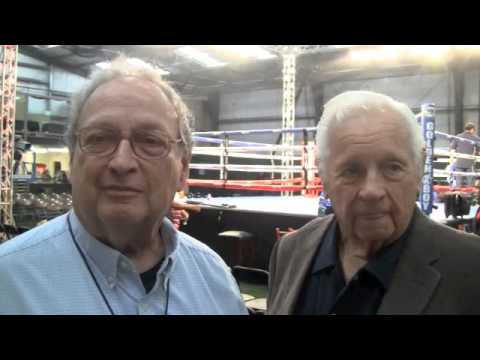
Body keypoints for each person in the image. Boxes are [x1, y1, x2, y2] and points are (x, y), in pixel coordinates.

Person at [0, 56, 248, 315]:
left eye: (150, 141)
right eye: (99, 138)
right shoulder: (8, 281)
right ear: (73, 159)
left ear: (182, 168)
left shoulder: (214, 280)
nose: (122, 162)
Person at [267, 90, 480, 314]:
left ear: (419, 170)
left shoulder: (471, 265)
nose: (372, 191)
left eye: (392, 167)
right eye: (351, 170)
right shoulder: (289, 251)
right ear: (325, 176)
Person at [450, 122, 480, 187]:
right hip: (470, 163)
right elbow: (479, 150)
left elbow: (452, 149)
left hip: (459, 162)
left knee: (458, 182)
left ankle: (458, 195)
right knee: (470, 183)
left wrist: (451, 160)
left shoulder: (458, 136)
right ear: (472, 129)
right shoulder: (475, 138)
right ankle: (470, 196)